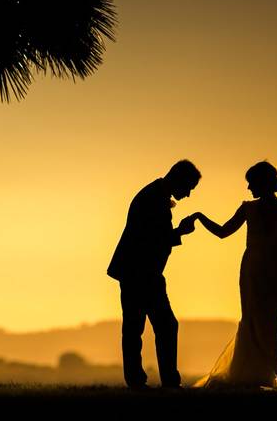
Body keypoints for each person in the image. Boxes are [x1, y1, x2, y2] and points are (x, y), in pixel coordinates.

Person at [188, 161, 277, 391]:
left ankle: (273, 375)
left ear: (261, 183)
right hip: (258, 270)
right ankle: (257, 374)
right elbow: (223, 231)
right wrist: (200, 217)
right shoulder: (255, 209)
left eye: (251, 183)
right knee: (255, 319)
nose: (248, 188)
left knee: (268, 320)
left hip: (268, 269)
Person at [107, 160, 200, 389]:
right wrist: (181, 232)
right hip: (141, 272)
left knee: (136, 327)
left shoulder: (153, 194)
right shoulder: (154, 199)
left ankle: (140, 380)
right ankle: (164, 380)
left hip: (136, 271)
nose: (187, 195)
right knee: (161, 326)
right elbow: (153, 239)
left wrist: (176, 232)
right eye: (188, 188)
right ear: (179, 179)